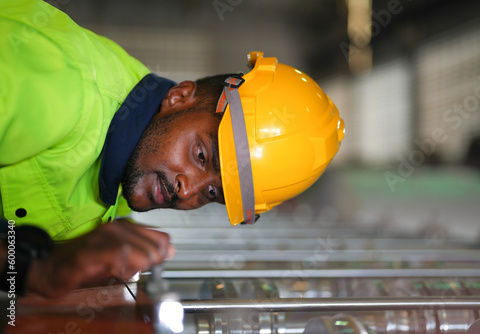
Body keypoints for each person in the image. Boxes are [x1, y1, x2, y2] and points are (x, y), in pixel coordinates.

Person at [0, 0, 344, 298]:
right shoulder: (61, 87)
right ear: (180, 96)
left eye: (213, 192)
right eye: (201, 156)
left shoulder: (119, 178)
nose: (187, 190)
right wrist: (37, 270)